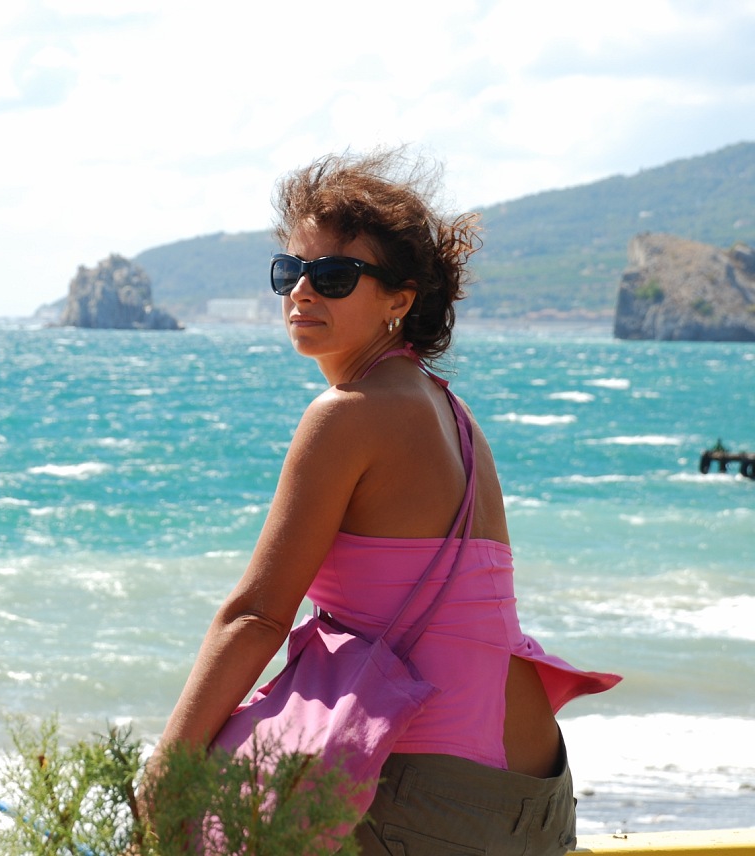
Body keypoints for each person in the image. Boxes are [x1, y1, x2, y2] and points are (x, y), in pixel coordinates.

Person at [148, 149, 620, 854]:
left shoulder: (346, 415)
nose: (302, 291)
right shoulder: (453, 414)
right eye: (289, 270)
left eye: (334, 276)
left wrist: (166, 777)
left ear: (400, 300)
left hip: (431, 795)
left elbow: (256, 617)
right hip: (537, 794)